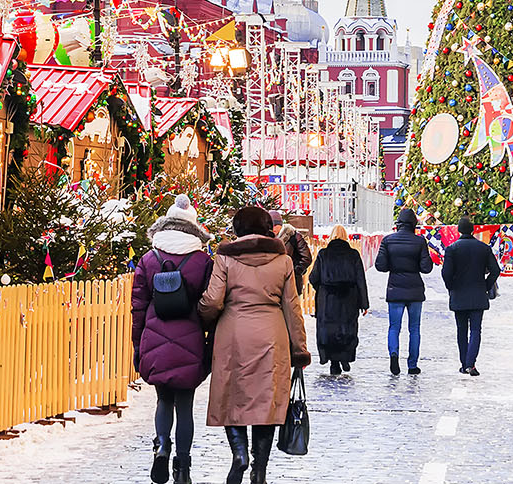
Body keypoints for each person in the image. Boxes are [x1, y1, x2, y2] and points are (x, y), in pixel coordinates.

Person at [200, 206, 310, 484]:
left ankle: (239, 455)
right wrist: (299, 348)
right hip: (272, 335)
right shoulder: (283, 261)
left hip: (233, 333)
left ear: (237, 229)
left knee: (232, 397)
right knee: (266, 403)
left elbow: (213, 300)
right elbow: (292, 307)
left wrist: (202, 315)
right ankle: (259, 469)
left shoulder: (225, 258)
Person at [132, 195, 214, 484]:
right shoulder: (203, 261)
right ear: (192, 228)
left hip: (154, 336)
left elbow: (138, 305)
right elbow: (210, 303)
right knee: (186, 405)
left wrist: (137, 344)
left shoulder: (148, 259)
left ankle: (162, 445)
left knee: (163, 400)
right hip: (189, 338)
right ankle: (182, 468)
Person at [375, 206, 432, 375]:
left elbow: (380, 266)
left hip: (395, 290)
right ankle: (412, 365)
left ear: (398, 223)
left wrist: (394, 264)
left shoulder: (388, 241)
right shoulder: (420, 241)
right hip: (415, 291)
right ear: (414, 224)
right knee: (414, 328)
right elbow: (426, 268)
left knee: (394, 327)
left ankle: (394, 354)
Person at [441, 217, 501, 375]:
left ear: (459, 230)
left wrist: (451, 287)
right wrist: (486, 286)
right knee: (476, 330)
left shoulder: (452, 249)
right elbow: (495, 270)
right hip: (478, 294)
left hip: (459, 294)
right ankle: (471, 363)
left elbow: (446, 273)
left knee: (461, 330)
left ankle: (463, 364)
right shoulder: (483, 248)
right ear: (473, 230)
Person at [309, 225, 368, 375]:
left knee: (329, 331)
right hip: (349, 298)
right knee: (347, 329)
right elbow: (360, 279)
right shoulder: (353, 254)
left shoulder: (323, 254)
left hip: (327, 299)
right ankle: (345, 358)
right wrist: (364, 303)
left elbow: (313, 277)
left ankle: (334, 363)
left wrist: (322, 289)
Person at [270, 210, 314, 294]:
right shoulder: (267, 239)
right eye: (271, 225)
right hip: (273, 283)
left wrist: (294, 272)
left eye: (276, 225)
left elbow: (306, 257)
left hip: (291, 283)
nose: (274, 228)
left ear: (281, 224)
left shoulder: (293, 236)